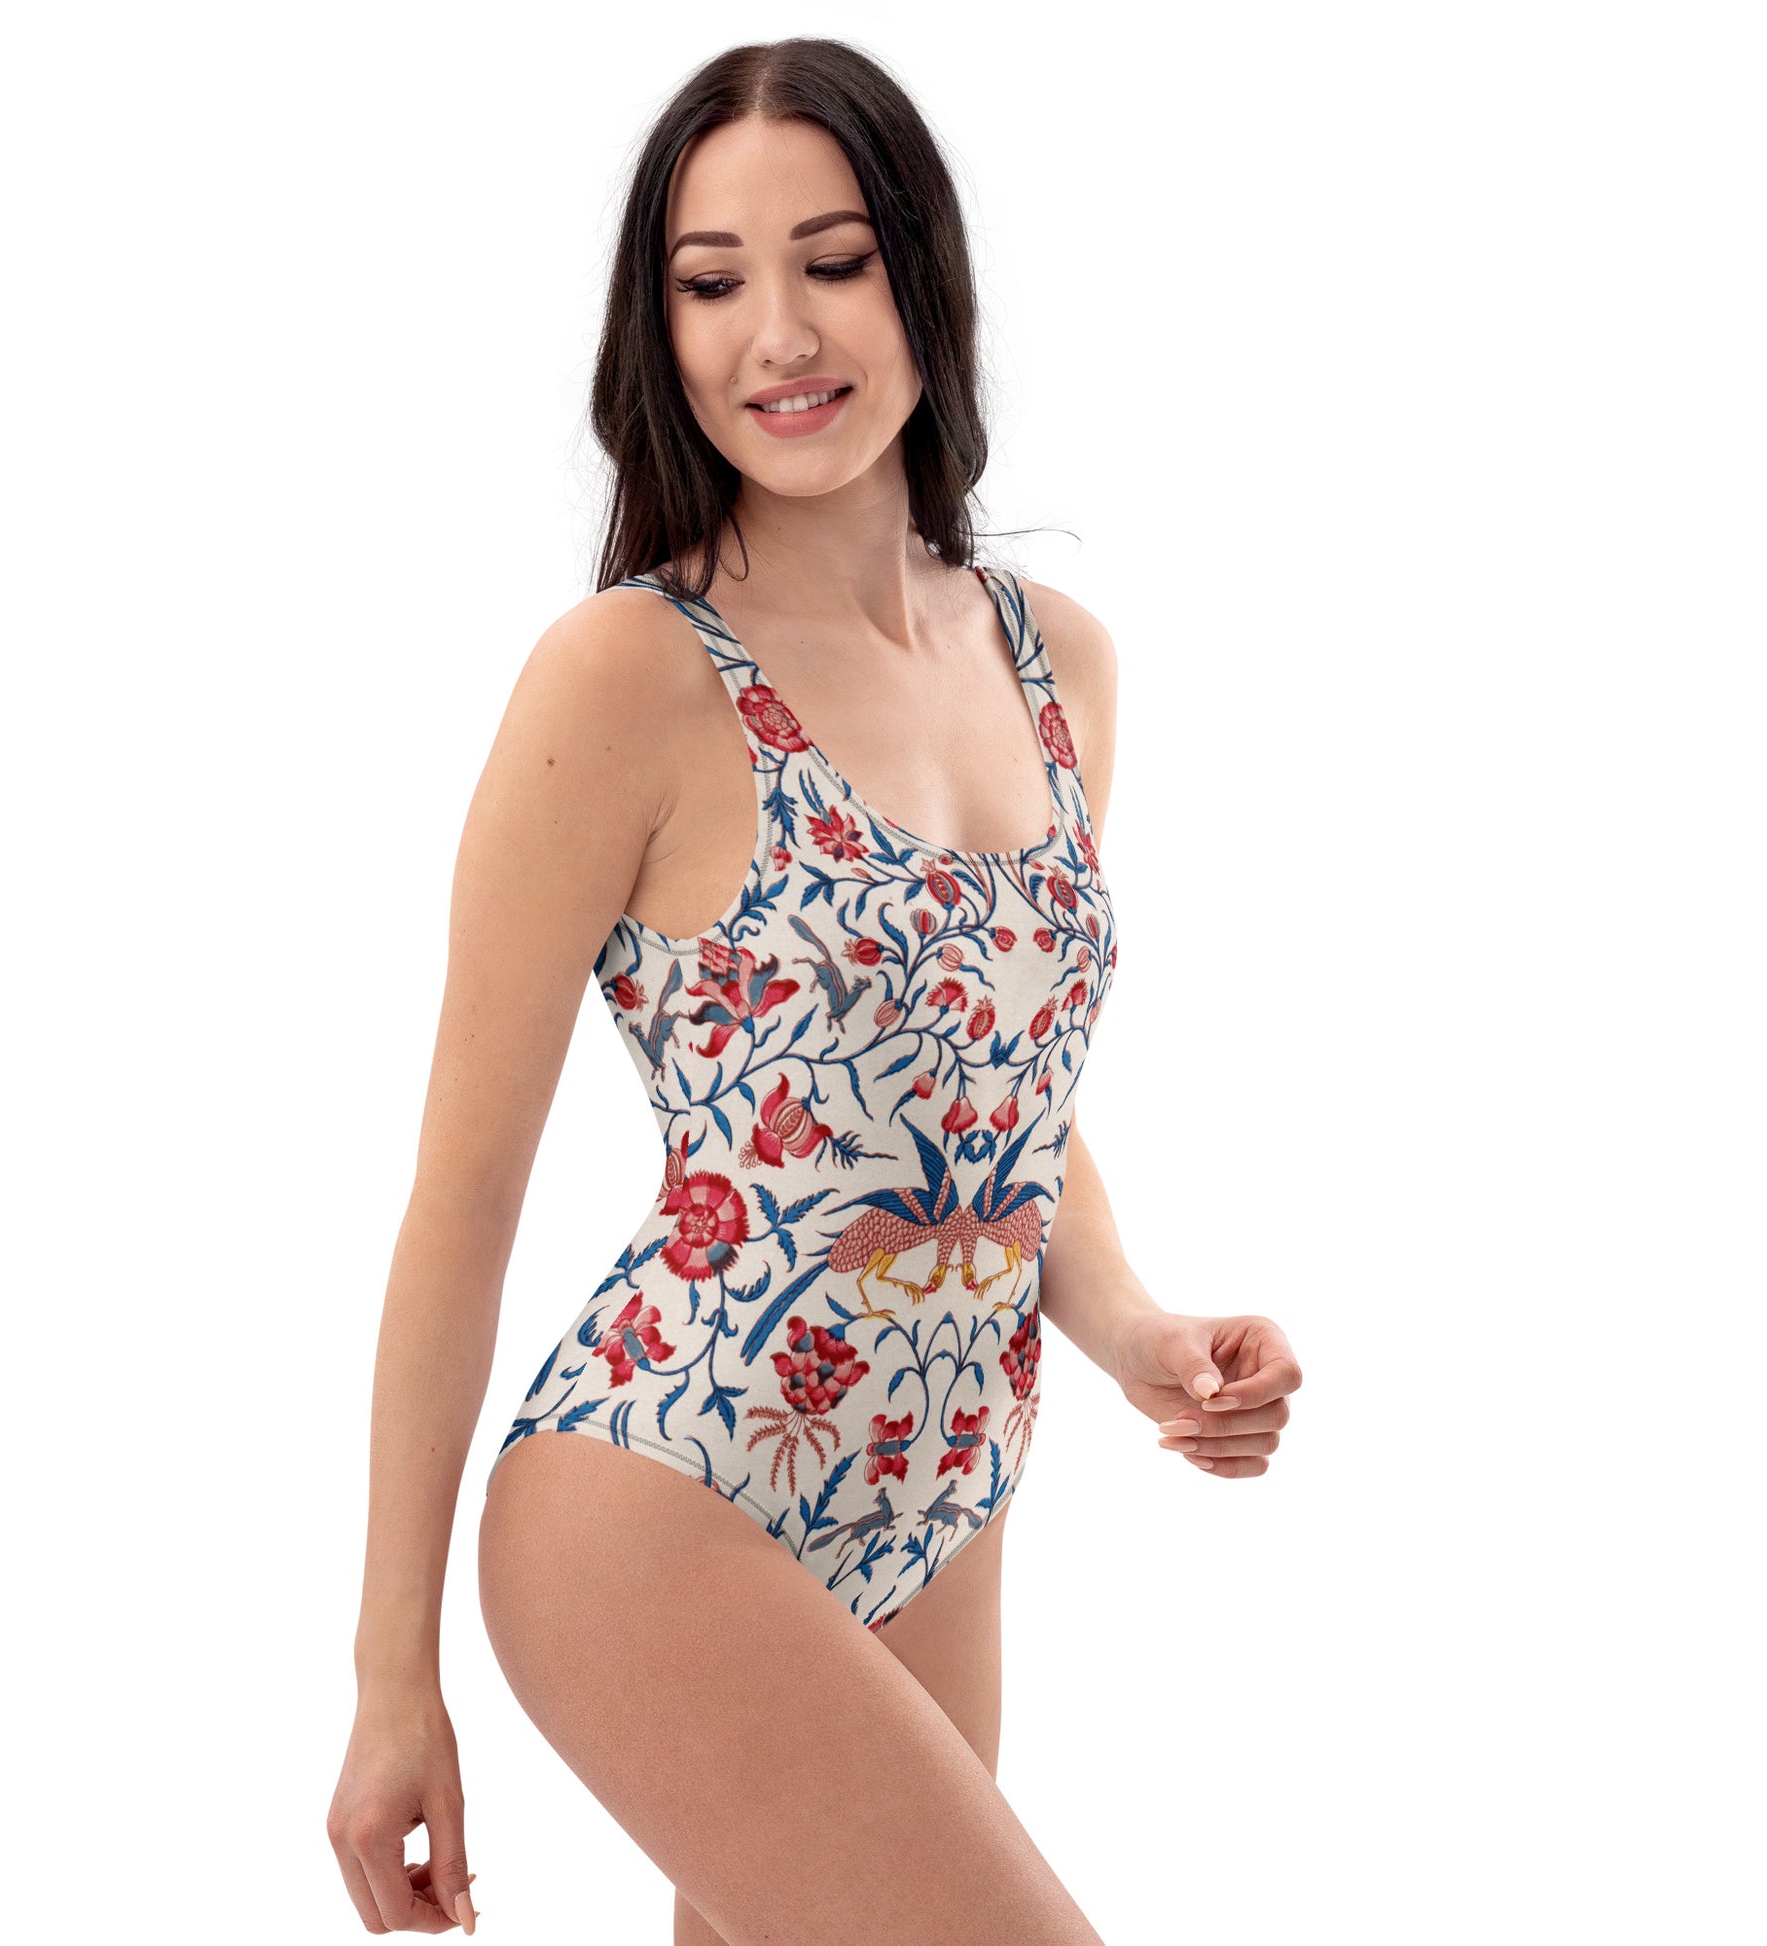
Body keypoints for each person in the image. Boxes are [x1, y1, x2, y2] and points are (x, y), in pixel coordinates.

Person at [326, 36, 1303, 1945]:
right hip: (658, 1486)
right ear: (662, 329)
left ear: (921, 275)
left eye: (832, 261)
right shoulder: (627, 673)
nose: (775, 332)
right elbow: (462, 1199)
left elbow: (999, 1095)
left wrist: (1135, 1331)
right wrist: (389, 1681)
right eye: (711, 283)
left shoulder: (1057, 662)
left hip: (945, 1481)